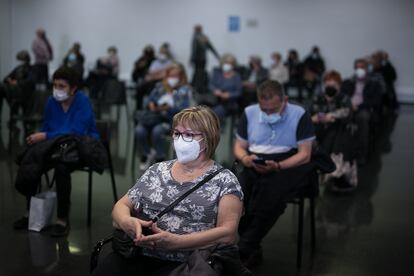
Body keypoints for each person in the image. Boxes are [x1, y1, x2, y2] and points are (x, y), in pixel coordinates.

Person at [92, 105, 244, 276]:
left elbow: (228, 234)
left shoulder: (225, 181)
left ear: (208, 138)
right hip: (137, 253)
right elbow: (121, 206)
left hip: (188, 262)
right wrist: (127, 222)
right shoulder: (157, 170)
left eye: (188, 135)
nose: (179, 140)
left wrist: (177, 242)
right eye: (177, 133)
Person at [233, 80, 315, 268]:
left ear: (285, 100)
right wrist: (245, 159)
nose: (268, 113)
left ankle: (245, 247)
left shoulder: (299, 114)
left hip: (287, 162)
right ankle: (250, 246)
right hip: (254, 159)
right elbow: (239, 146)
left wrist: (278, 166)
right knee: (236, 196)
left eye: (273, 109)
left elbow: (305, 154)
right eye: (265, 109)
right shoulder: (250, 112)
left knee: (270, 198)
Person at [13, 66, 100, 237]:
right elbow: (46, 126)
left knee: (62, 167)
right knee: (32, 161)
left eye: (61, 86)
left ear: (73, 88)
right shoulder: (51, 102)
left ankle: (62, 219)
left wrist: (45, 135)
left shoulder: (82, 102)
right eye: (55, 85)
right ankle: (29, 212)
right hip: (56, 146)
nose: (57, 89)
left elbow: (78, 132)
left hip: (80, 147)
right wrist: (41, 137)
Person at [135, 63, 192, 170]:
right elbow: (149, 100)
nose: (172, 79)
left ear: (181, 76)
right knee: (139, 130)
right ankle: (147, 153)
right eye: (170, 76)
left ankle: (160, 158)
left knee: (157, 131)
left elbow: (184, 110)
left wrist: (168, 108)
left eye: (175, 76)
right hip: (153, 117)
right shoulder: (160, 86)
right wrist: (151, 104)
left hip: (170, 120)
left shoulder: (184, 90)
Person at [309, 70, 357, 192]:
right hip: (319, 128)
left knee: (338, 138)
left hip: (339, 129)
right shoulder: (317, 97)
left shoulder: (344, 98)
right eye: (328, 84)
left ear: (339, 86)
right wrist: (318, 118)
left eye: (334, 85)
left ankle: (337, 174)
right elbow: (310, 114)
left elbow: (347, 114)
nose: (331, 87)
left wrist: (332, 116)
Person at [342, 58, 382, 165]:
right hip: (348, 108)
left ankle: (361, 155)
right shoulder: (348, 82)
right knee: (340, 118)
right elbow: (342, 96)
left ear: (366, 69)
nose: (360, 70)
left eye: (362, 67)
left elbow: (376, 101)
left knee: (363, 118)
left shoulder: (373, 84)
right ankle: (341, 152)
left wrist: (359, 106)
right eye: (357, 67)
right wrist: (350, 105)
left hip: (364, 109)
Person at [135, 45, 173, 109]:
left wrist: (156, 74)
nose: (162, 54)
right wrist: (159, 72)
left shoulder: (170, 63)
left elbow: (164, 75)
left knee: (153, 90)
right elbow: (150, 73)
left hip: (161, 82)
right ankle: (139, 109)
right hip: (151, 81)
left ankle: (151, 108)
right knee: (140, 88)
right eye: (161, 52)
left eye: (164, 53)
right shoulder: (155, 62)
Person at [0, 50, 35, 121]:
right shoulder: (18, 68)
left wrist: (17, 82)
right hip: (14, 91)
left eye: (22, 60)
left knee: (4, 88)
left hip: (24, 93)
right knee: (2, 86)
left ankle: (13, 107)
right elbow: (6, 78)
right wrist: (10, 80)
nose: (21, 62)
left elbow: (30, 82)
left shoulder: (32, 69)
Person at [208, 53, 242, 122]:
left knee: (217, 112)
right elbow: (210, 85)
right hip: (215, 99)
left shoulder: (236, 76)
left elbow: (239, 92)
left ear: (233, 65)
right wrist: (215, 90)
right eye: (226, 62)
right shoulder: (217, 72)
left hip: (229, 103)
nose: (228, 65)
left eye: (230, 63)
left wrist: (229, 95)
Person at [190, 24, 220, 94]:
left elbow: (194, 49)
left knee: (198, 73)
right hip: (202, 58)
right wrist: (217, 56)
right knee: (199, 72)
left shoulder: (196, 37)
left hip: (198, 58)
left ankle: (198, 88)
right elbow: (211, 47)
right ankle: (197, 87)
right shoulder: (203, 37)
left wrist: (191, 59)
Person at [132, 45, 156, 109]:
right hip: (140, 84)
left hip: (151, 85)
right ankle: (138, 110)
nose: (148, 56)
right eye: (146, 53)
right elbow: (134, 76)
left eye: (149, 53)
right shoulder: (140, 60)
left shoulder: (155, 61)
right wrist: (138, 68)